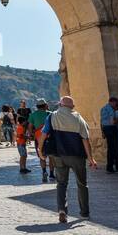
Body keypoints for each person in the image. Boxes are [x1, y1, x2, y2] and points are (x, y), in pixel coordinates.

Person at [40, 95, 98, 224]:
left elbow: (44, 134)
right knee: (82, 184)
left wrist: (40, 150)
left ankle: (62, 210)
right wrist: (91, 158)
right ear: (72, 106)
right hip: (76, 156)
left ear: (60, 105)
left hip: (59, 156)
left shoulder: (52, 116)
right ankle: (84, 213)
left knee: (61, 183)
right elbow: (85, 139)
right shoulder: (78, 118)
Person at [28, 99, 52, 182]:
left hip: (38, 137)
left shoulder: (33, 115)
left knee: (42, 156)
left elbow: (30, 126)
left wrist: (32, 135)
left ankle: (44, 171)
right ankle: (52, 174)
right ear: (45, 105)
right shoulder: (50, 114)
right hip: (50, 137)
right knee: (51, 156)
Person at [100, 97, 118, 173]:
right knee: (117, 148)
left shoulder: (103, 108)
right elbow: (113, 122)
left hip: (106, 129)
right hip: (111, 129)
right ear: (112, 102)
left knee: (110, 149)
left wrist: (103, 132)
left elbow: (101, 121)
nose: (116, 105)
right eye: (115, 103)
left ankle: (110, 167)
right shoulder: (110, 109)